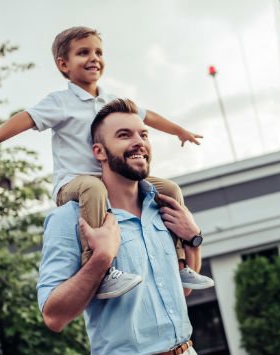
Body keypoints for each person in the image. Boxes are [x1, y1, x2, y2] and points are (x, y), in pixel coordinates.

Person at [0, 26, 213, 298]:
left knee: (169, 189)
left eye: (98, 52)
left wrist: (178, 131)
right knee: (93, 188)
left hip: (111, 179)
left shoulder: (112, 100)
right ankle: (101, 270)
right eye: (83, 53)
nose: (94, 58)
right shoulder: (60, 102)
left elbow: (148, 117)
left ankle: (180, 262)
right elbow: (26, 118)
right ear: (63, 64)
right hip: (74, 184)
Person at [38, 98, 201, 355]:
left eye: (143, 134)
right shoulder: (69, 219)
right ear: (99, 152)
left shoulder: (162, 208)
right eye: (124, 135)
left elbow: (184, 289)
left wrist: (193, 240)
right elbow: (53, 317)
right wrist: (100, 258)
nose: (139, 142)